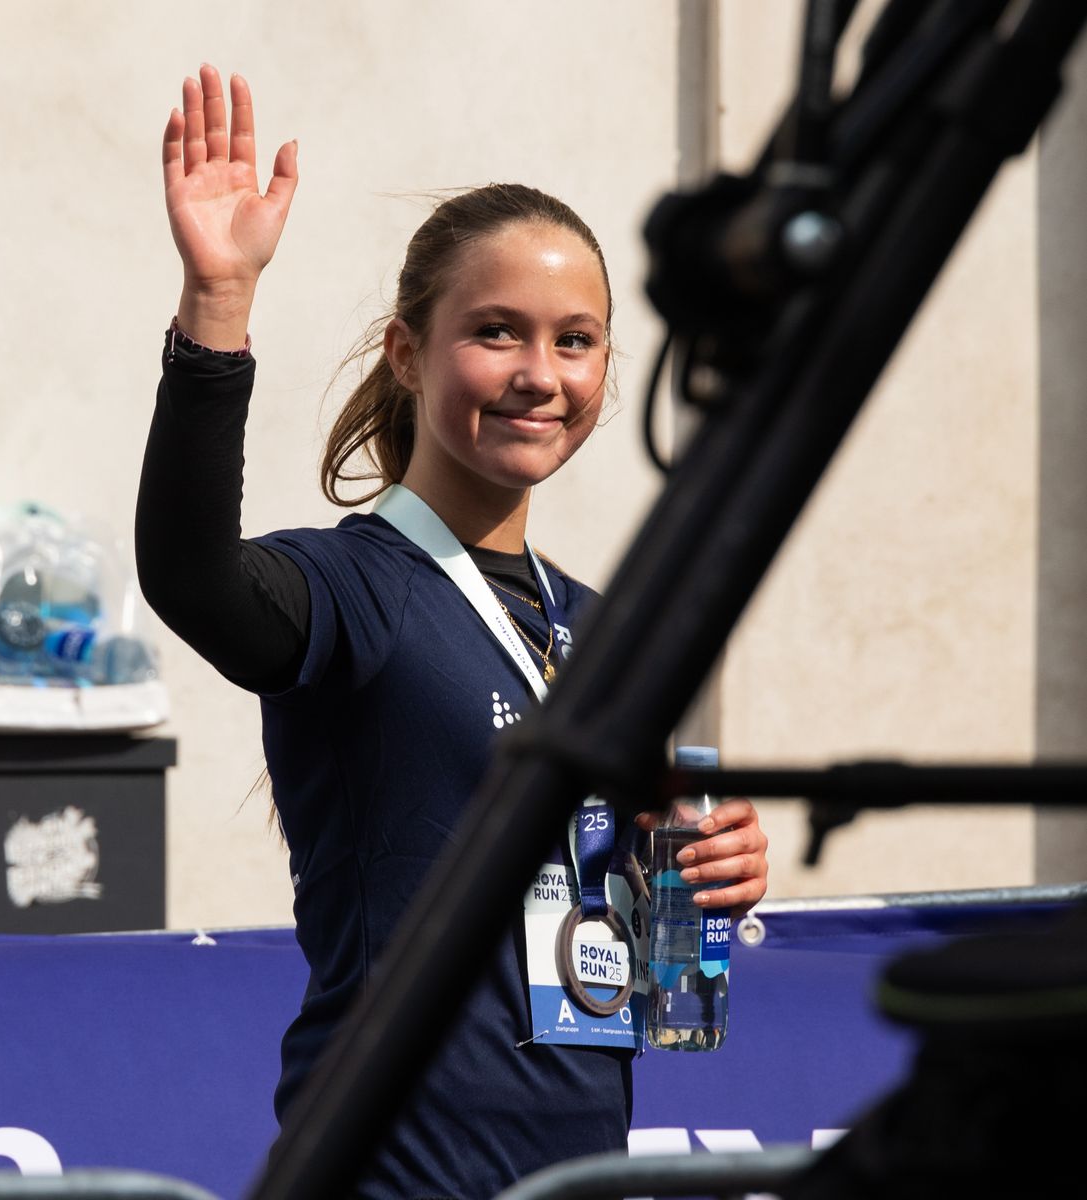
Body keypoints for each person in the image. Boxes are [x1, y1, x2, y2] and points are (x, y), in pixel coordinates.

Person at [136, 64, 770, 1200]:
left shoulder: (601, 624)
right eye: (495, 333)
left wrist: (712, 862)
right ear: (405, 352)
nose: (539, 375)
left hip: (576, 1174)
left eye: (575, 341)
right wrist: (217, 306)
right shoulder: (347, 584)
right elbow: (190, 581)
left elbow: (636, 885)